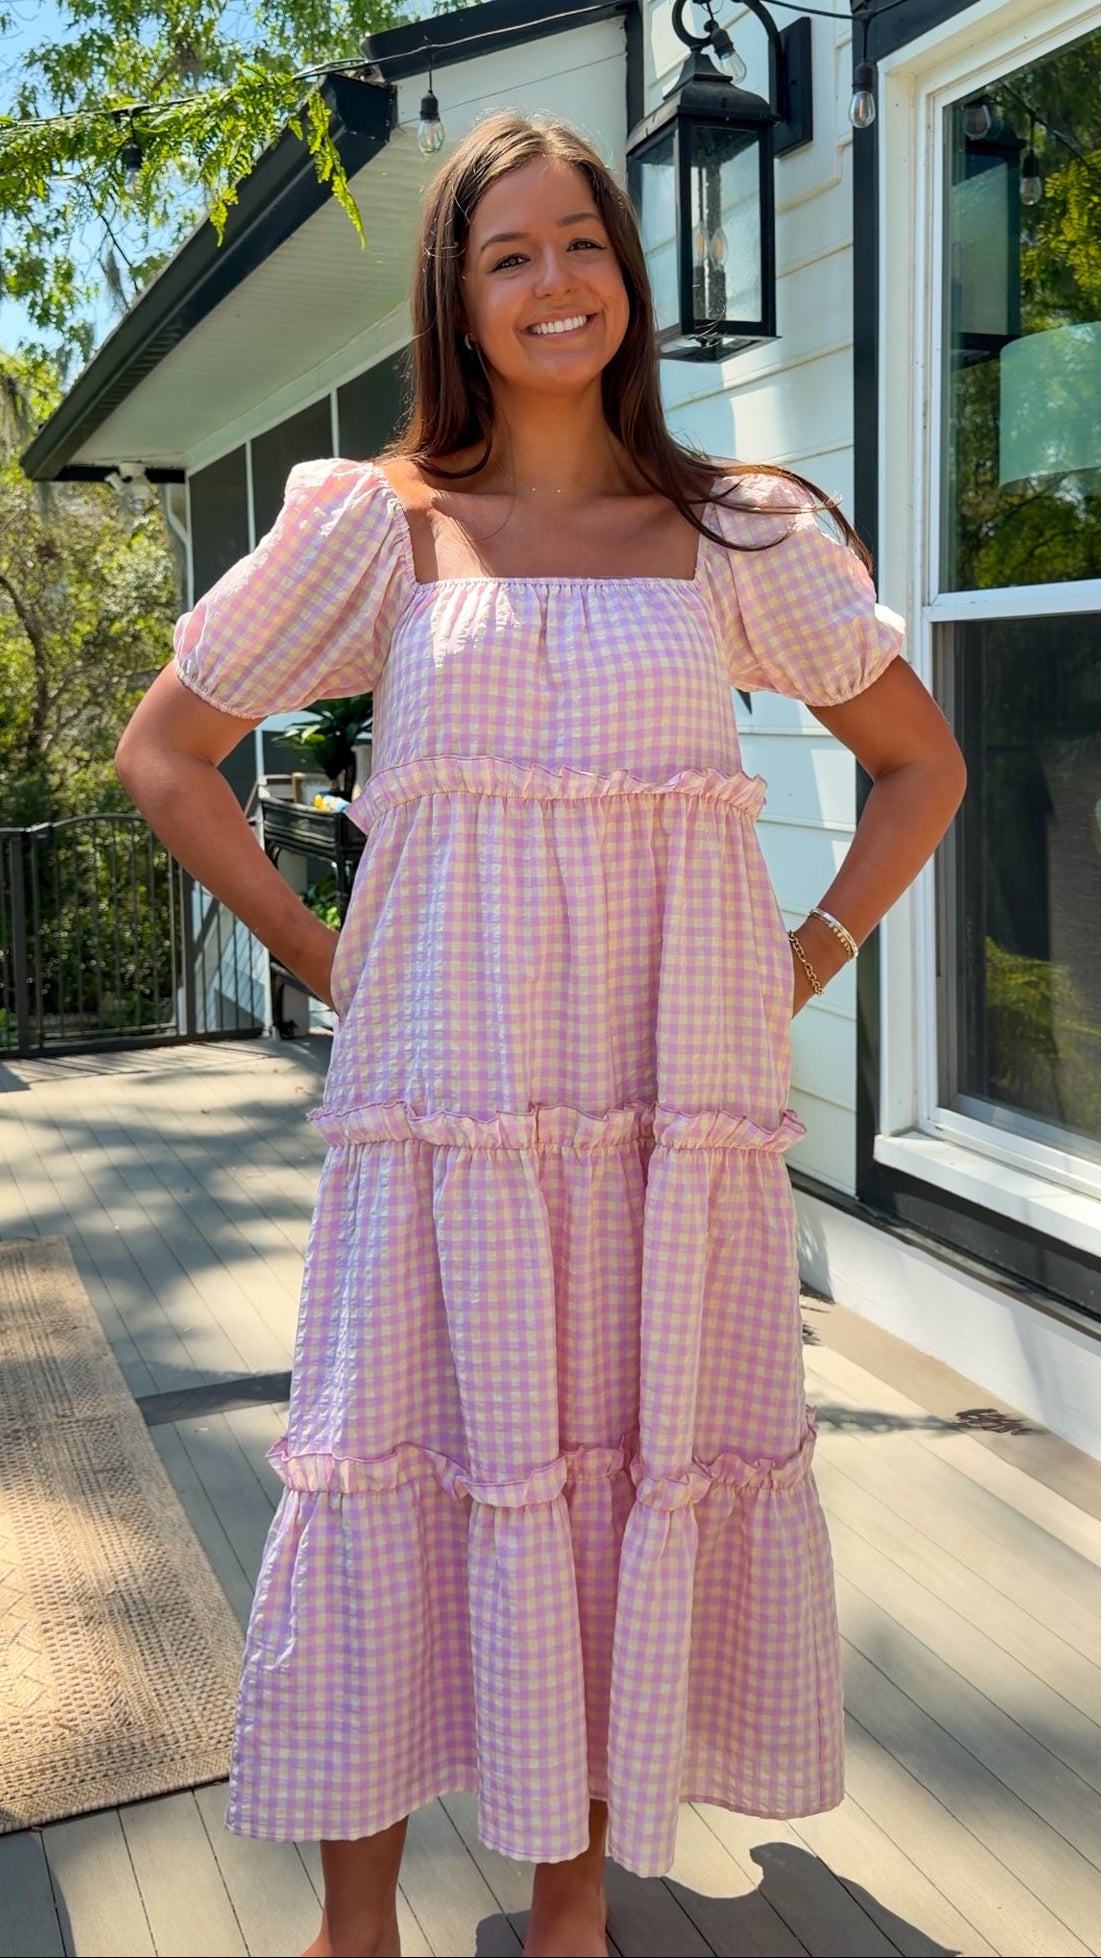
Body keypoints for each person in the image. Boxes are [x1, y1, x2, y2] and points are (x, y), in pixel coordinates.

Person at [116, 110, 965, 1958]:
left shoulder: (735, 531)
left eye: (581, 240)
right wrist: (329, 959)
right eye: (508, 254)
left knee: (606, 1476)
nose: (554, 280)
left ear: (625, 274)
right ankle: (357, 1927)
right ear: (457, 296)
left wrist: (805, 953)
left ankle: (570, 1909)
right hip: (441, 1122)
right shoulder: (382, 524)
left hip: (670, 1116)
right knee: (389, 1471)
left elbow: (921, 764)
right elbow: (165, 752)